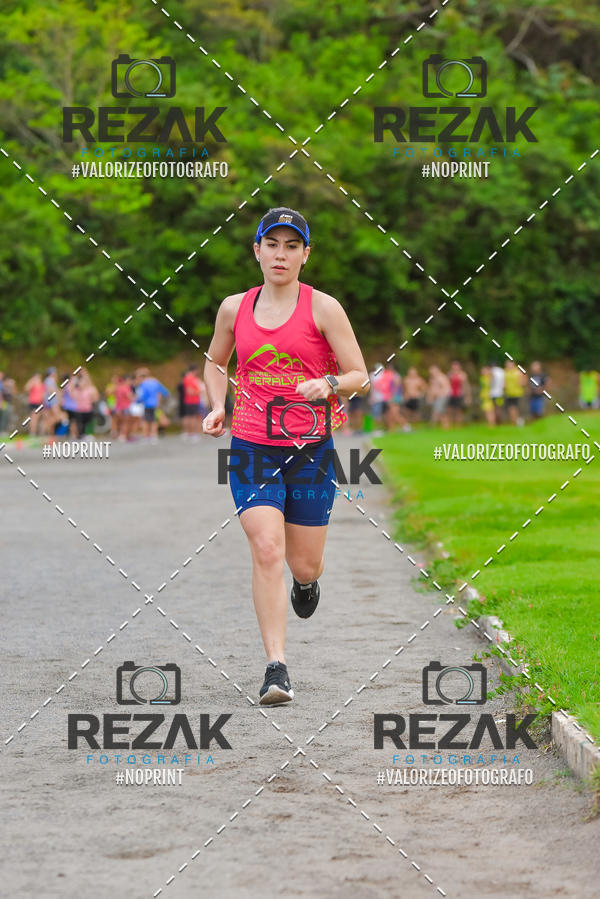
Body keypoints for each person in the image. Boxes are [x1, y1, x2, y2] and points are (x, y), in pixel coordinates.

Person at [202, 206, 369, 706]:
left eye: (291, 246)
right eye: (271, 245)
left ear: (305, 254)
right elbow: (215, 362)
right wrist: (217, 403)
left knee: (304, 564)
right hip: (252, 445)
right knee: (267, 549)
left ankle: (306, 584)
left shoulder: (325, 309)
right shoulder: (234, 308)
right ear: (256, 250)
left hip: (310, 449)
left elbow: (360, 375)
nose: (281, 254)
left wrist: (330, 383)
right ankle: (276, 668)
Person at [135, 367, 170, 442]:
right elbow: (165, 392)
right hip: (155, 404)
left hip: (147, 404)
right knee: (154, 420)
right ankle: (154, 435)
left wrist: (137, 401)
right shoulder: (155, 382)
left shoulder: (143, 384)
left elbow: (142, 395)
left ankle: (146, 436)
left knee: (146, 420)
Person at [181, 364, 204, 440]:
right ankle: (192, 433)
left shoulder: (192, 378)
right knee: (193, 417)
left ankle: (189, 433)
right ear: (195, 370)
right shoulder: (189, 378)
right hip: (192, 401)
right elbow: (189, 391)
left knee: (191, 416)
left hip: (193, 400)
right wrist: (200, 391)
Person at [447, 360, 471, 426]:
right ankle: (450, 424)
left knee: (459, 410)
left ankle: (458, 424)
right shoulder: (449, 374)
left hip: (459, 394)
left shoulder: (463, 375)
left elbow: (466, 386)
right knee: (450, 410)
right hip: (451, 394)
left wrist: (468, 396)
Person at [504, 360, 526, 425]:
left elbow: (524, 381)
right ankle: (514, 421)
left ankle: (516, 421)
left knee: (514, 408)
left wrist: (521, 383)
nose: (508, 366)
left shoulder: (518, 372)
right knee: (511, 408)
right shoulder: (505, 372)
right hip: (509, 393)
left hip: (517, 393)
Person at [24, 372, 45, 436]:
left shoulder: (41, 384)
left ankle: (39, 433)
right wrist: (32, 381)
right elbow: (26, 389)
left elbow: (43, 394)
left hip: (40, 403)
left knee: (40, 419)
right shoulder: (32, 382)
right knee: (34, 418)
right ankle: (32, 433)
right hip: (34, 403)